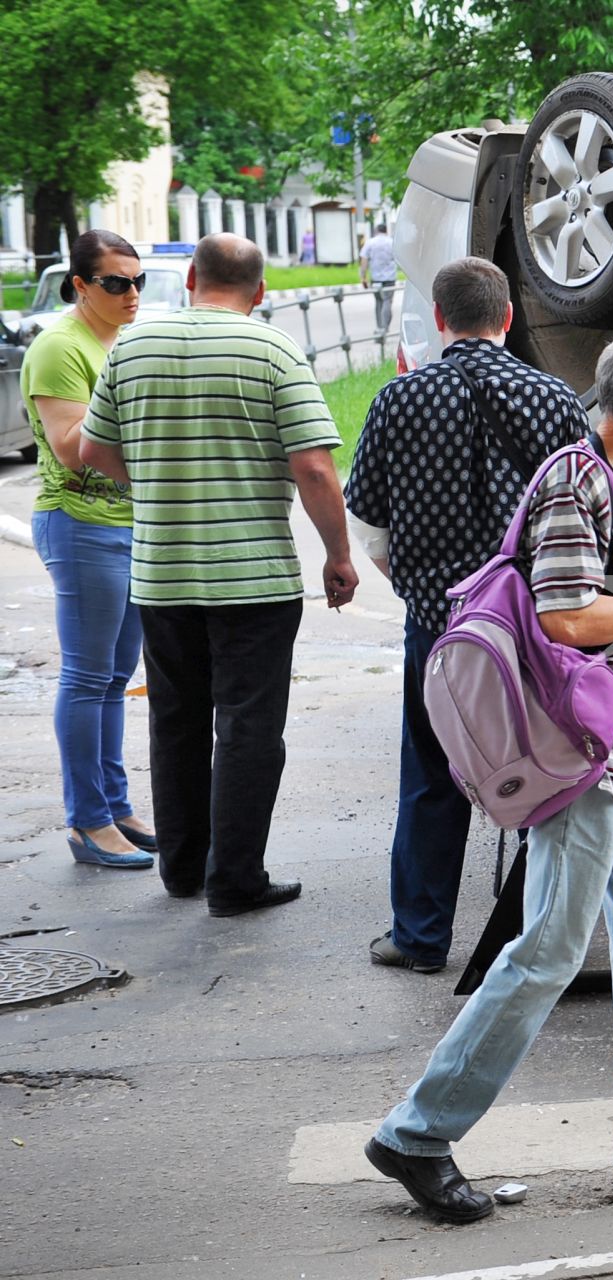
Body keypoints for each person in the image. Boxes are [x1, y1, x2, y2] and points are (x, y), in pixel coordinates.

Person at [364, 329, 613, 1223]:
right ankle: (417, 1133)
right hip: (588, 767)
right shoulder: (575, 481)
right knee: (545, 951)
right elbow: (570, 619)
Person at [78, 233, 359, 917]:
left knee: (175, 723)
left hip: (162, 577)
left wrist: (152, 481)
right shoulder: (273, 351)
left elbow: (91, 451)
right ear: (258, 291)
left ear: (193, 278)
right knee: (248, 728)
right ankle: (235, 880)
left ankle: (180, 868)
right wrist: (338, 555)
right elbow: (317, 468)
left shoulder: (133, 349)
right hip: (253, 581)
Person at [344, 256, 588, 974]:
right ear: (508, 317)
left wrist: (417, 582)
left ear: (441, 319)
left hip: (441, 625)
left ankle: (420, 938)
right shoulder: (556, 401)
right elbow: (579, 516)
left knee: (430, 772)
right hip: (534, 626)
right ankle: (548, 937)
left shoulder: (400, 400)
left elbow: (371, 519)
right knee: (549, 768)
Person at [21, 229, 157, 870]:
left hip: (130, 523)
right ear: (80, 285)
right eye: (115, 283)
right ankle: (87, 822)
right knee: (84, 677)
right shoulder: (59, 348)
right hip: (80, 524)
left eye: (138, 281)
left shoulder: (126, 341)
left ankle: (115, 807)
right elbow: (74, 448)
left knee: (114, 679)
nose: (131, 293)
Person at [360, 222, 398, 333]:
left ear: (376, 231)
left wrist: (363, 277)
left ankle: (379, 327)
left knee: (378, 302)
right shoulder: (392, 242)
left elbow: (364, 259)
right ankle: (385, 328)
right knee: (387, 301)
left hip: (375, 278)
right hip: (390, 278)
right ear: (386, 231)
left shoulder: (370, 243)